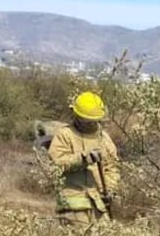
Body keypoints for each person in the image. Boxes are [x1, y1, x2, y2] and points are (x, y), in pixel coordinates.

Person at [47, 90, 120, 226]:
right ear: (76, 115)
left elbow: (113, 168)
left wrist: (110, 189)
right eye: (86, 121)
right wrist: (82, 159)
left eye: (93, 121)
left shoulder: (104, 139)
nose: (90, 124)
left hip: (100, 204)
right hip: (73, 203)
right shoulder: (65, 135)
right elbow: (56, 164)